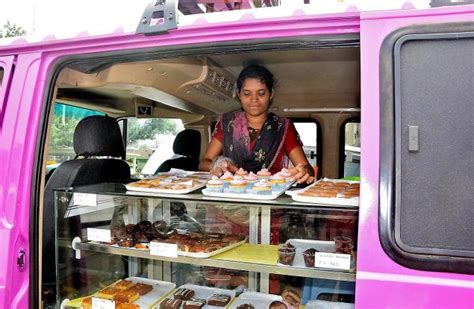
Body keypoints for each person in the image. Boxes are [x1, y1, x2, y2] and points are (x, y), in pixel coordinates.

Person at [199, 64, 315, 183]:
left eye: (261, 93)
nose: (254, 99)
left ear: (271, 94)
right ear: (239, 94)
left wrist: (304, 171)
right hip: (232, 193)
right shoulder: (227, 123)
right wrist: (217, 165)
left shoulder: (282, 127)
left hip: (269, 195)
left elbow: (306, 167)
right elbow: (204, 162)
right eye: (247, 93)